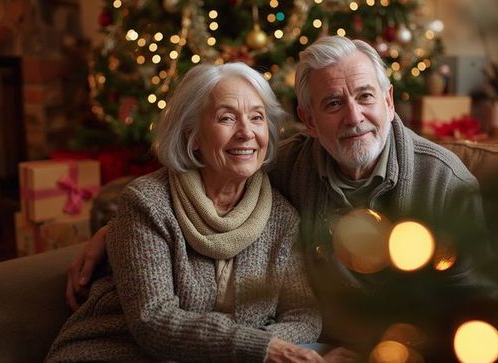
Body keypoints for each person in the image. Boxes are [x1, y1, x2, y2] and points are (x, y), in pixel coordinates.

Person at [66, 36, 495, 358]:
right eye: (332, 103)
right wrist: (117, 228)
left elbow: (473, 301)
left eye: (366, 96)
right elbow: (199, 182)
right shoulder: (285, 167)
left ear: (388, 99)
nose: (354, 116)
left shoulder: (442, 181)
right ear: (308, 120)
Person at [47, 63, 324, 362]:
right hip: (117, 351)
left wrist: (257, 347)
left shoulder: (281, 216)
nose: (246, 132)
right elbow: (153, 320)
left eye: (256, 117)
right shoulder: (147, 203)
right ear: (192, 135)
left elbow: (304, 315)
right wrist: (259, 347)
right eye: (226, 118)